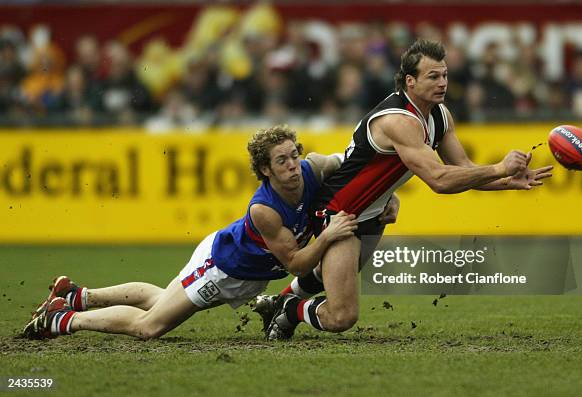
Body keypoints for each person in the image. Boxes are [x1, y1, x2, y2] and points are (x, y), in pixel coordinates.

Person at [262, 39, 553, 340]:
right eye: (433, 76)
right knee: (341, 316)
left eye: (445, 75)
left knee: (327, 275)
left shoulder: (440, 115)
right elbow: (439, 180)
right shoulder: (399, 120)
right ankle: (289, 309)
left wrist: (508, 181)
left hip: (374, 212)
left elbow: (464, 169)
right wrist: (499, 169)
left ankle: (278, 301)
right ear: (410, 81)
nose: (443, 83)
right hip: (339, 211)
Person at [22, 125, 362, 340]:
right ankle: (63, 319)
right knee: (150, 325)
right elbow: (297, 264)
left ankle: (76, 296)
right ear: (264, 169)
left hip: (238, 266)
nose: (292, 166)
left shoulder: (314, 168)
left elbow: (355, 166)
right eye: (281, 161)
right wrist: (330, 235)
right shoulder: (265, 209)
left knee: (160, 299)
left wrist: (383, 200)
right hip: (222, 268)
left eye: (293, 155)